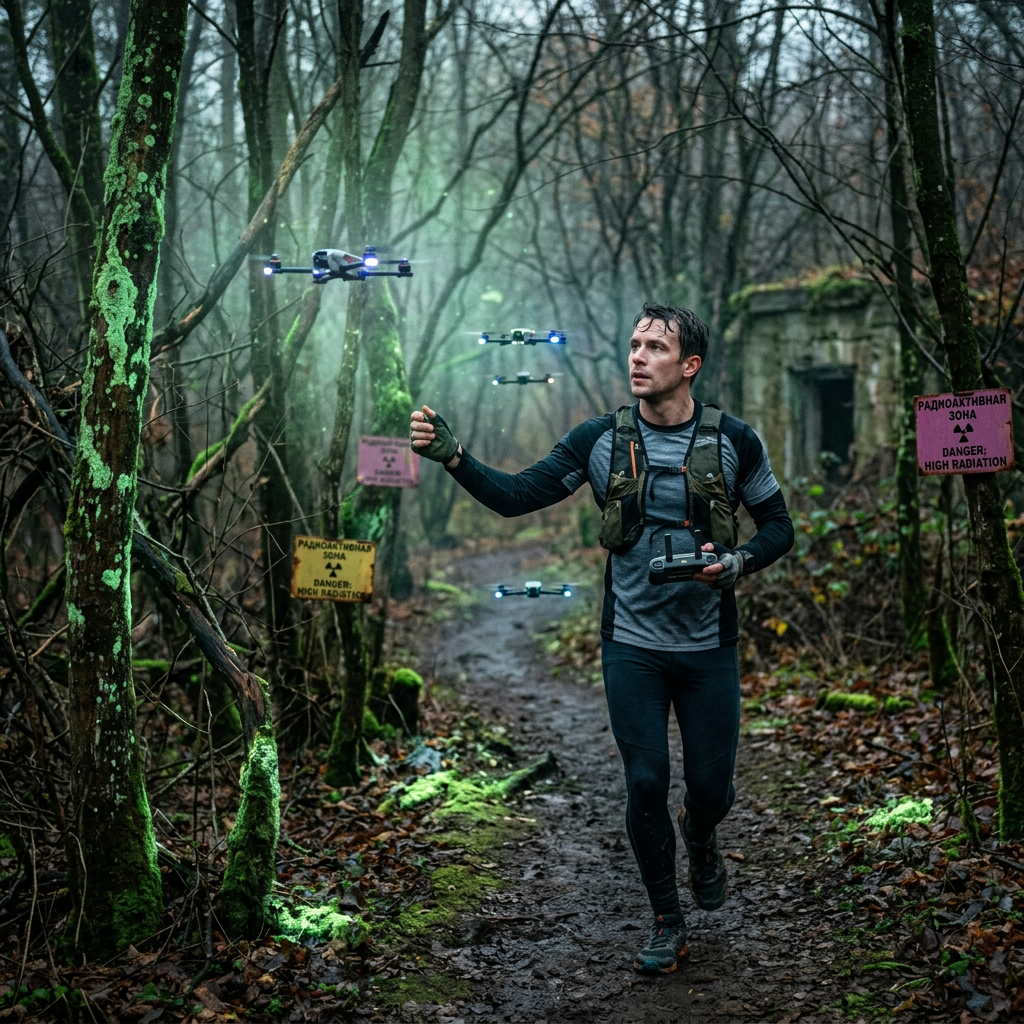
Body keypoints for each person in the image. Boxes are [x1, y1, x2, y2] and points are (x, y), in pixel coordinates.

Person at [410, 304, 794, 974]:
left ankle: (700, 838)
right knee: (646, 782)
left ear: (690, 365)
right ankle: (666, 920)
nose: (638, 357)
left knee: (713, 792)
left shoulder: (737, 440)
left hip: (708, 648)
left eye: (655, 347)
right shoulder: (599, 442)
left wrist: (737, 563)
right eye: (634, 343)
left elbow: (779, 527)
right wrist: (456, 457)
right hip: (632, 644)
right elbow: (514, 496)